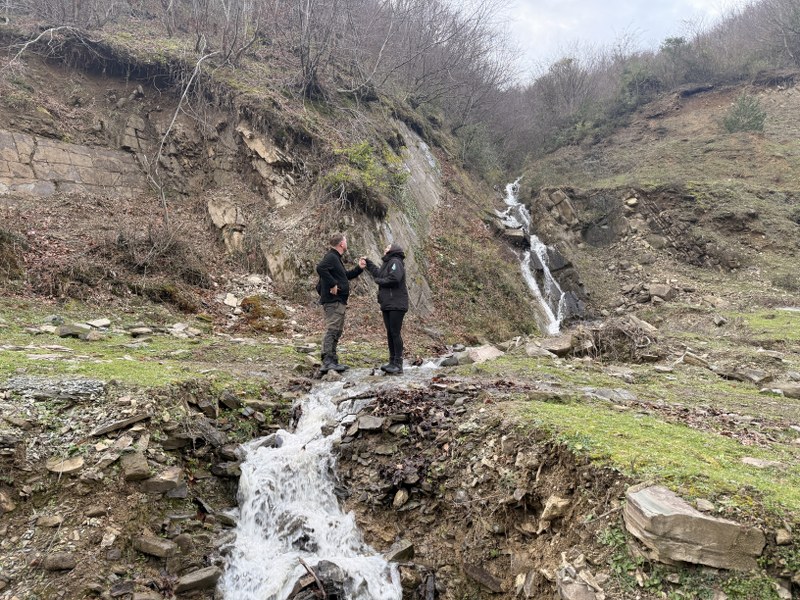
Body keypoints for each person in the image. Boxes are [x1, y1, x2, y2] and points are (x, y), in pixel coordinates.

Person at [316, 233, 366, 374]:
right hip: (333, 301)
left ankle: (333, 360)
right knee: (332, 329)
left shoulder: (336, 258)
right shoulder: (331, 257)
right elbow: (320, 268)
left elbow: (346, 276)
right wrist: (332, 284)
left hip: (339, 301)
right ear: (341, 244)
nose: (347, 243)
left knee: (337, 330)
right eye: (346, 240)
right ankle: (327, 361)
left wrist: (359, 268)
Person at [364, 242, 408, 375]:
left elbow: (394, 278)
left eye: (387, 247)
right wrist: (368, 263)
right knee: (390, 333)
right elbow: (378, 273)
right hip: (388, 303)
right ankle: (392, 361)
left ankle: (398, 364)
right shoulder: (387, 263)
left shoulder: (396, 261)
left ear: (393, 249)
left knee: (395, 332)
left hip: (397, 303)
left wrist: (379, 281)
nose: (385, 248)